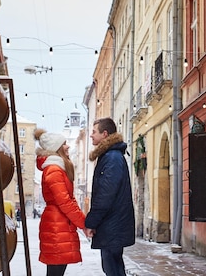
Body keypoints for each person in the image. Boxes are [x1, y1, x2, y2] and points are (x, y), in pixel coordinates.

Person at [85, 117, 135, 276]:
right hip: (112, 224)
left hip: (112, 224)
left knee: (112, 268)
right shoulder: (110, 156)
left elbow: (105, 194)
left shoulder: (111, 158)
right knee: (113, 267)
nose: (91, 135)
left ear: (104, 134)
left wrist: (91, 222)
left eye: (94, 132)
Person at [35, 128, 87, 276]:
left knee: (56, 271)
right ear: (56, 148)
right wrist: (83, 223)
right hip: (56, 226)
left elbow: (69, 200)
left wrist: (82, 222)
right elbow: (65, 202)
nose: (68, 146)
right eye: (64, 144)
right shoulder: (54, 170)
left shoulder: (58, 168)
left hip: (59, 224)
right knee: (55, 272)